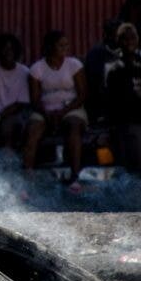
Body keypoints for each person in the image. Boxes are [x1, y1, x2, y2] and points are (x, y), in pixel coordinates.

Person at [23, 30, 89, 190]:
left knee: (74, 126)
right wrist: (46, 114)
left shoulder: (74, 65)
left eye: (66, 44)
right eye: (61, 45)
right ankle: (26, 178)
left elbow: (82, 95)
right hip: (45, 109)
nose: (65, 48)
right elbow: (35, 99)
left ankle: (75, 177)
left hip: (71, 107)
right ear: (50, 47)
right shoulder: (37, 68)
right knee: (32, 130)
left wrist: (64, 111)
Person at [105, 23, 141, 177]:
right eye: (125, 38)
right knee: (137, 169)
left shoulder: (139, 61)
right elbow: (130, 94)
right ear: (118, 41)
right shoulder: (115, 65)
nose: (129, 41)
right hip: (128, 123)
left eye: (133, 37)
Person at [84, 18, 122, 122]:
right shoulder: (96, 53)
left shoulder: (130, 52)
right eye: (115, 34)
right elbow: (94, 84)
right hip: (103, 101)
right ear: (106, 35)